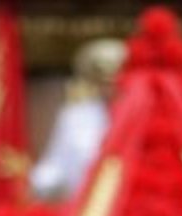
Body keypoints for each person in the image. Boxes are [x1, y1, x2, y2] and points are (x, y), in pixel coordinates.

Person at [30, 37, 126, 201]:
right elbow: (56, 164)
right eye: (103, 82)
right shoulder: (75, 116)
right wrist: (41, 184)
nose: (110, 88)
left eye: (115, 82)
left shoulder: (143, 114)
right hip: (81, 205)